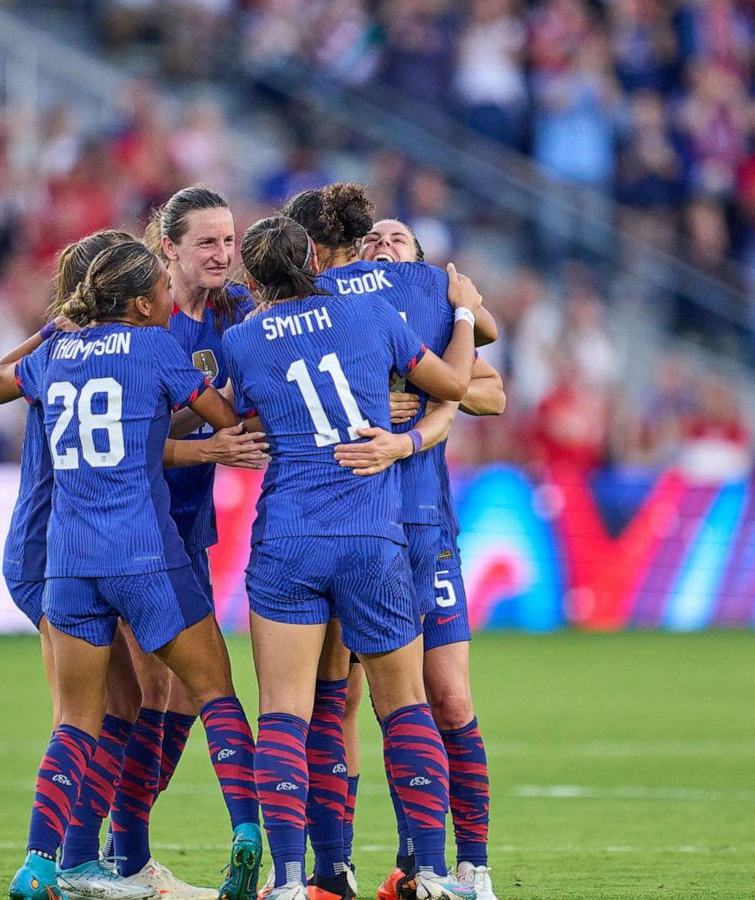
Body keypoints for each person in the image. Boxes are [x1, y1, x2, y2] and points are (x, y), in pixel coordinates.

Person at [222, 215, 479, 900]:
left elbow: (233, 418)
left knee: (283, 711)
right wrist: (461, 311)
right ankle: (428, 872)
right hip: (372, 535)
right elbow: (456, 385)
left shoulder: (242, 339)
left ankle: (287, 881)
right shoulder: (369, 311)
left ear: (252, 279)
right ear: (317, 260)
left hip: (288, 539)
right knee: (405, 706)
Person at [7, 241, 264, 900]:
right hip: (145, 557)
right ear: (144, 301)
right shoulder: (156, 349)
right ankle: (246, 835)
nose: (169, 300)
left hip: (68, 567)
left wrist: (52, 328)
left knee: (76, 721)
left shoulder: (56, 354)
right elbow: (225, 420)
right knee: (216, 693)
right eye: (160, 289)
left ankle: (39, 865)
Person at [310, 201, 506, 900]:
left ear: (421, 263)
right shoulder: (333, 324)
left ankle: (462, 866)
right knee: (342, 700)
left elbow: (491, 391)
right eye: (372, 237)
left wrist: (423, 406)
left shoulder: (432, 318)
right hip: (347, 528)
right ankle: (336, 868)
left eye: (398, 237)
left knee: (446, 697)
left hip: (425, 529)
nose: (384, 242)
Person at [0, 229, 159, 900]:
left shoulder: (69, 353)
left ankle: (74, 858)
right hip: (53, 550)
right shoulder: (70, 351)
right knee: (83, 710)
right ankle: (64, 860)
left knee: (118, 700)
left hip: (58, 546)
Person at [108, 186, 269, 900]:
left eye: (229, 241)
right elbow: (125, 442)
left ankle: (125, 851)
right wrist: (208, 443)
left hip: (188, 527)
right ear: (167, 248)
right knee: (151, 693)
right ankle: (119, 857)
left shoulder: (236, 312)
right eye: (207, 242)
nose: (223, 255)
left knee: (176, 701)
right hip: (129, 527)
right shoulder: (137, 315)